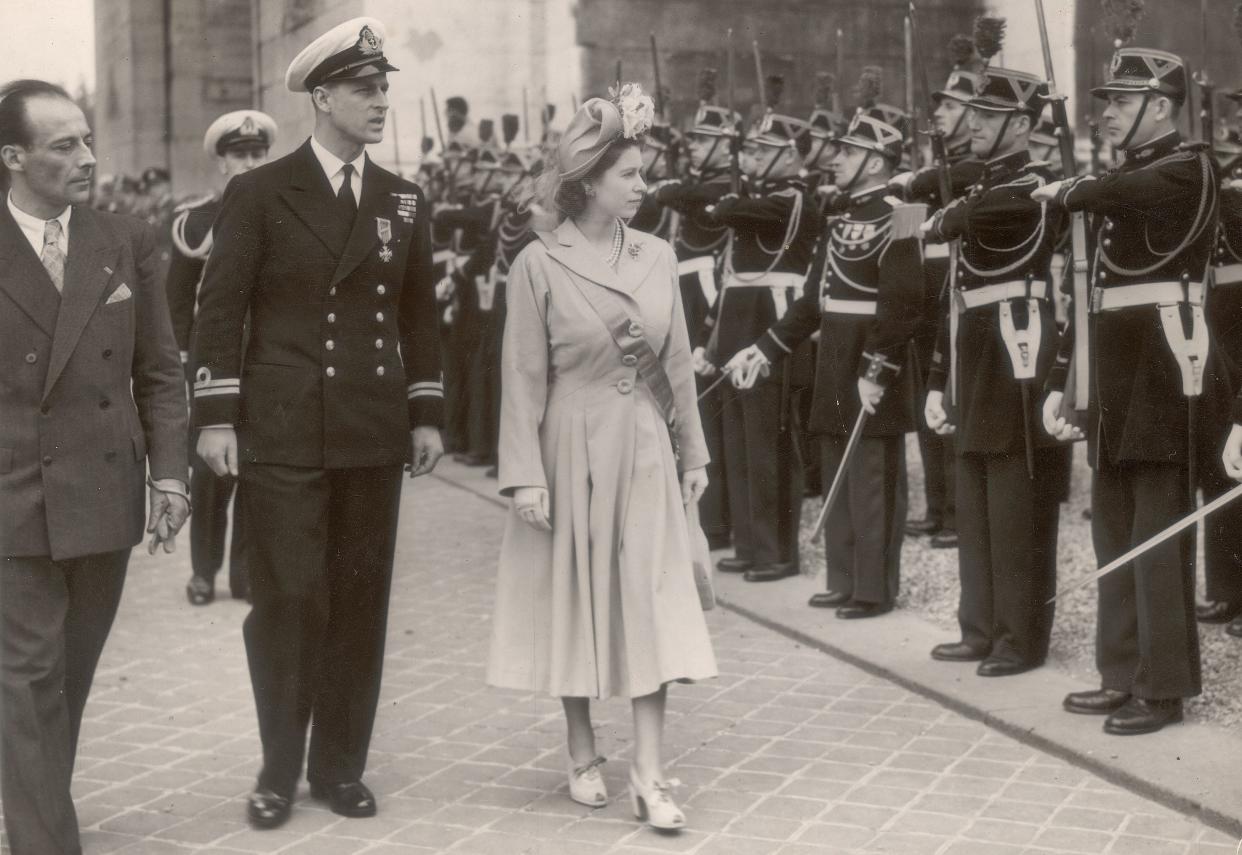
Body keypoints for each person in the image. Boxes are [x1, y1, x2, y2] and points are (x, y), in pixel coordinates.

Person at [191, 18, 445, 826]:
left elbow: (418, 314)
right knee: (291, 598)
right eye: (365, 90)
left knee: (360, 600)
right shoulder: (260, 192)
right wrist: (217, 418)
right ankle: (277, 766)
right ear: (322, 97)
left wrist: (426, 413)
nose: (379, 103)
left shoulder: (402, 199)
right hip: (286, 427)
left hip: (371, 429)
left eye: (383, 88)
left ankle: (340, 765)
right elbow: (220, 306)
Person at [486, 84, 716, 832]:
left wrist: (693, 454)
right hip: (570, 443)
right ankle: (582, 747)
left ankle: (649, 772)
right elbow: (521, 378)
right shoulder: (537, 264)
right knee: (577, 592)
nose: (644, 187)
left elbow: (677, 362)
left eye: (643, 175)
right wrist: (523, 475)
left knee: (652, 597)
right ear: (589, 181)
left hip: (645, 442)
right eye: (631, 175)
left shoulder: (659, 254)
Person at [0, 78, 190, 855]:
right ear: (13, 157)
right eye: (63, 145)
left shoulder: (127, 239)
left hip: (105, 495)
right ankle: (46, 840)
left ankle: (33, 803)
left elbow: (160, 369)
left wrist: (170, 476)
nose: (87, 157)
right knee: (29, 678)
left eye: (86, 139)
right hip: (13, 497)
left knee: (66, 681)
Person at [1039, 47, 1225, 735]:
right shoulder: (1117, 179)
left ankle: (1165, 684)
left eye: (1121, 100)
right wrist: (1065, 378)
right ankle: (1119, 671)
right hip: (1115, 368)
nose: (1106, 112)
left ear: (1161, 105)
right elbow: (1088, 288)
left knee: (1157, 530)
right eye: (1105, 101)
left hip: (1166, 366)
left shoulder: (1189, 167)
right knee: (1113, 527)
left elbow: (1132, 193)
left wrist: (1078, 189)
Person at [727, 107, 924, 618]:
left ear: (879, 162)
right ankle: (842, 577)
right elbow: (812, 302)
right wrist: (766, 347)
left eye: (852, 152)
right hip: (835, 351)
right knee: (838, 462)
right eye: (840, 150)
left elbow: (902, 304)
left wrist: (878, 368)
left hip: (870, 356)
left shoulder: (905, 215)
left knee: (872, 477)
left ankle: (873, 588)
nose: (837, 160)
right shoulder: (839, 217)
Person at [922, 65, 1072, 676]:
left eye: (985, 116)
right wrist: (936, 379)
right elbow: (952, 290)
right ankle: (979, 625)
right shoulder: (978, 187)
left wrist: (950, 212)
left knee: (1015, 494)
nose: (971, 123)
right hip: (973, 348)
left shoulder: (1033, 186)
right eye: (972, 114)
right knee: (976, 487)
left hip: (1019, 348)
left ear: (1020, 124)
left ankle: (1021, 636)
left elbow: (979, 217)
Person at [699, 99, 819, 584]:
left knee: (770, 443)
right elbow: (730, 274)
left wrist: (728, 201)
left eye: (764, 150)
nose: (751, 158)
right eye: (750, 150)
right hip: (737, 327)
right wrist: (713, 344)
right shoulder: (758, 199)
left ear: (791, 157)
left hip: (771, 324)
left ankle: (777, 552)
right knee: (740, 444)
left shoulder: (792, 200)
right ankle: (750, 544)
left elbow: (733, 211)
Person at [167, 109, 276, 606]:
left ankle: (247, 573)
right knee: (210, 474)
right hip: (213, 366)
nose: (249, 163)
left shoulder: (285, 214)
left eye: (257, 154)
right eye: (239, 155)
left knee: (259, 471)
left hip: (271, 365)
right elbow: (176, 304)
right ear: (221, 162)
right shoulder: (196, 223)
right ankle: (203, 572)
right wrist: (182, 374)